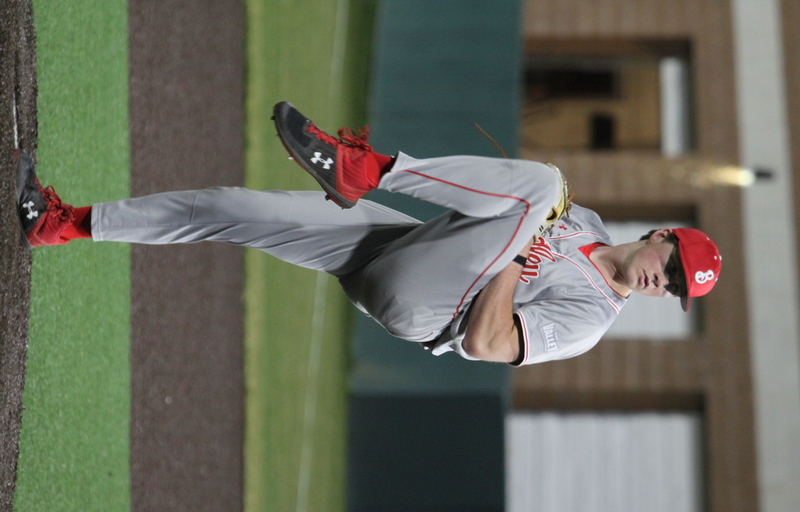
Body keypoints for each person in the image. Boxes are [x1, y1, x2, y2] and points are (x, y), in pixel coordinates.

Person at [13, 101, 721, 366]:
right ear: (662, 233)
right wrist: (517, 240)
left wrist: (514, 255)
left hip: (425, 305)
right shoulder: (590, 224)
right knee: (233, 207)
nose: (668, 282)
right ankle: (63, 224)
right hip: (404, 249)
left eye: (679, 289)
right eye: (677, 263)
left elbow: (488, 342)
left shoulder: (591, 319)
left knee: (541, 186)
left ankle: (364, 168)